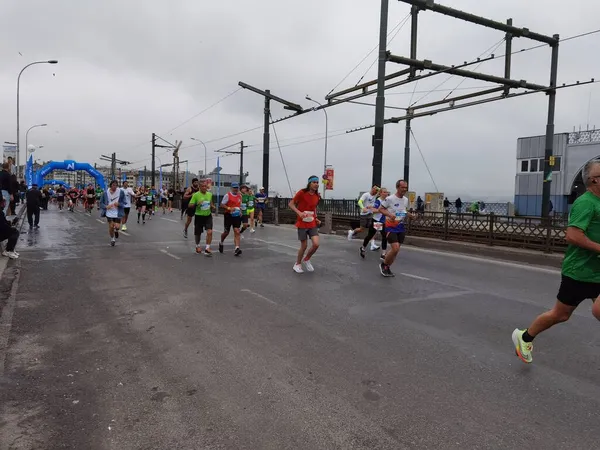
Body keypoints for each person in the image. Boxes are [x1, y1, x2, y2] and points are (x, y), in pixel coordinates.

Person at [512, 160, 600, 364]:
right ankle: (524, 337)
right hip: (579, 272)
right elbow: (572, 236)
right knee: (560, 315)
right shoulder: (586, 203)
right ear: (594, 180)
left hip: (597, 271)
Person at [378, 179, 415, 277]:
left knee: (396, 250)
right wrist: (390, 215)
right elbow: (380, 209)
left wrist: (411, 215)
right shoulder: (390, 199)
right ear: (397, 187)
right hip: (390, 227)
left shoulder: (405, 200)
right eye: (402, 187)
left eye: (405, 187)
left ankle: (387, 267)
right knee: (395, 248)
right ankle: (384, 264)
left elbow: (402, 211)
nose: (404, 189)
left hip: (400, 227)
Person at [289, 176, 321, 273]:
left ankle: (306, 259)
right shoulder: (302, 193)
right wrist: (299, 213)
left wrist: (316, 218)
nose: (316, 184)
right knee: (304, 245)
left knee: (316, 244)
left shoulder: (317, 196)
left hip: (312, 222)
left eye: (317, 182)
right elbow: (291, 204)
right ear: (309, 183)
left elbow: (314, 209)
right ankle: (297, 264)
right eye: (314, 182)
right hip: (302, 222)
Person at [360, 188, 389, 261]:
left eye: (386, 192)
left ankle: (383, 254)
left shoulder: (387, 200)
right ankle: (363, 247)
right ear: (380, 193)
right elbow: (373, 211)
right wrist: (381, 210)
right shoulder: (378, 201)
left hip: (383, 221)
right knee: (370, 235)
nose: (386, 193)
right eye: (384, 192)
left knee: (384, 237)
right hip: (376, 221)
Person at [188, 180, 214, 256]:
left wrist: (213, 206)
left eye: (205, 186)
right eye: (202, 186)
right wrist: (197, 203)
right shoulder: (196, 195)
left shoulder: (209, 194)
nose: (204, 188)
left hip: (208, 216)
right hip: (199, 216)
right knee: (198, 233)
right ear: (199, 187)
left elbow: (211, 203)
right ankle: (197, 245)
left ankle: (207, 248)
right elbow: (190, 205)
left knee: (209, 231)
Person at [219, 182, 243, 256]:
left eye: (237, 188)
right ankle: (221, 242)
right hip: (228, 215)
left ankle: (237, 248)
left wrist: (240, 211)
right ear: (231, 188)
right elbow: (222, 204)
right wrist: (229, 208)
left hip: (236, 216)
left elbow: (240, 205)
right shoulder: (227, 195)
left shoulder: (240, 196)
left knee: (237, 231)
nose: (235, 189)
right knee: (226, 232)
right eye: (234, 188)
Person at [100, 180, 126, 247]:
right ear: (110, 185)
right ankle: (112, 239)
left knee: (117, 226)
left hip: (118, 212)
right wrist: (106, 206)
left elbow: (124, 202)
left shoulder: (121, 192)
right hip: (109, 212)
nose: (115, 187)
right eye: (113, 185)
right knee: (111, 226)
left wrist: (119, 204)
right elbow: (100, 203)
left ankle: (116, 230)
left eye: (116, 185)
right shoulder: (105, 193)